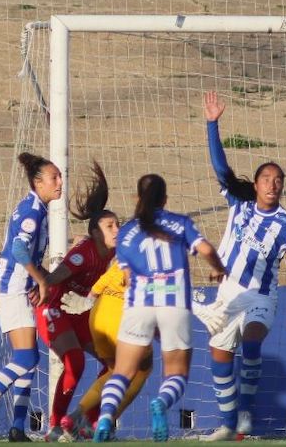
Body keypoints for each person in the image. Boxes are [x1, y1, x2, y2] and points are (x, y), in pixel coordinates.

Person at [200, 90, 286, 441]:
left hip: (261, 296)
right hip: (228, 293)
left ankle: (247, 412)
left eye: (278, 180)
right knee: (218, 355)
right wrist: (212, 124)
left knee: (251, 343)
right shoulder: (239, 204)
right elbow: (221, 167)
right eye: (267, 179)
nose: (273, 184)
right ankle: (227, 422)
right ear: (255, 184)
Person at [93, 173, 227, 442]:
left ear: (137, 198)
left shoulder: (128, 232)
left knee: (122, 372)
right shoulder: (180, 223)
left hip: (138, 304)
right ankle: (161, 404)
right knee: (177, 372)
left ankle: (106, 415)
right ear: (165, 199)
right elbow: (207, 250)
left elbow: (127, 277)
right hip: (174, 303)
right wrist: (219, 269)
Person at [0, 152, 62, 442]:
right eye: (54, 178)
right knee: (27, 357)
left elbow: (26, 254)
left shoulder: (36, 208)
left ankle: (18, 427)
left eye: (60, 176)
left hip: (17, 284)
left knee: (29, 359)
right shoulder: (32, 212)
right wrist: (41, 279)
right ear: (38, 182)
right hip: (12, 287)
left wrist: (40, 277)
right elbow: (19, 250)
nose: (59, 182)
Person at [35, 162, 119, 441]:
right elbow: (61, 273)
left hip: (79, 311)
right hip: (55, 308)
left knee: (115, 364)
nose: (117, 229)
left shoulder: (114, 254)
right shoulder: (85, 251)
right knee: (75, 361)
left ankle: (87, 423)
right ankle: (56, 424)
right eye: (110, 226)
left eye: (118, 224)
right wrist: (44, 283)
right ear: (96, 232)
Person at [58, 260, 153, 440]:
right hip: (123, 317)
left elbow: (106, 277)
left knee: (113, 372)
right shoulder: (154, 253)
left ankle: (75, 416)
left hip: (99, 314)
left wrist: (89, 299)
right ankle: (105, 424)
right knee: (142, 370)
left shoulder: (122, 252)